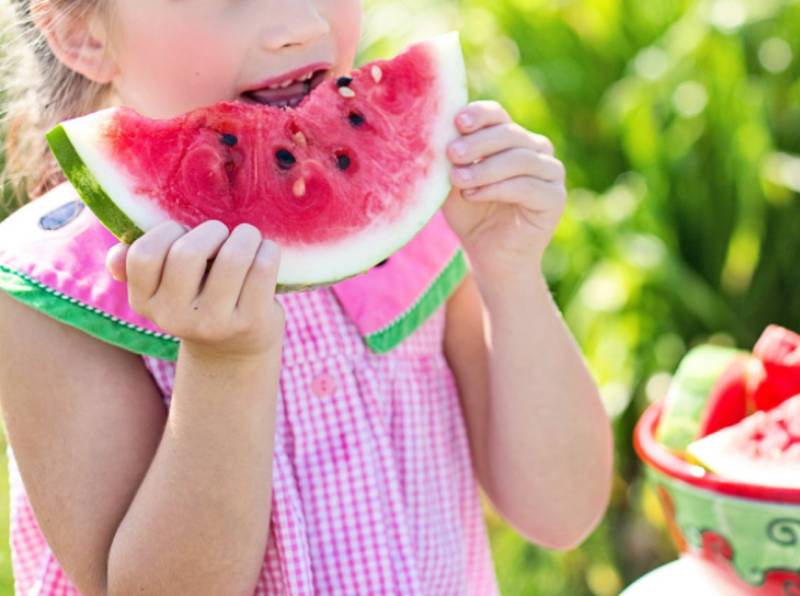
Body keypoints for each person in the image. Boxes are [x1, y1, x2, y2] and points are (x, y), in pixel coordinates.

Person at [0, 0, 613, 594]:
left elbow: (562, 512)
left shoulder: (423, 209)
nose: (301, 25)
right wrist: (224, 366)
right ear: (83, 34)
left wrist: (511, 275)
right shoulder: (54, 291)